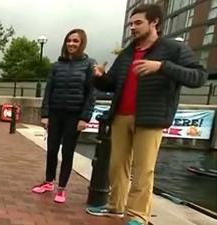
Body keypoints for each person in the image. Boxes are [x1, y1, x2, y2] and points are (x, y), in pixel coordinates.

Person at [85, 4, 207, 225]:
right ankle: (115, 207)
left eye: (138, 23)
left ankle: (138, 215)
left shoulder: (173, 50)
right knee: (116, 166)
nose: (132, 27)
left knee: (143, 169)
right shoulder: (127, 53)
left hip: (150, 119)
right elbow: (112, 84)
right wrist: (99, 77)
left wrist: (162, 67)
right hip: (120, 116)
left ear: (154, 23)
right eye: (131, 23)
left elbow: (199, 77)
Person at [31, 28, 96, 203]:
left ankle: (62, 189)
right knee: (51, 150)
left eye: (75, 41)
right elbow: (48, 91)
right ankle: (48, 182)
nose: (71, 44)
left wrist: (84, 118)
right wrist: (45, 114)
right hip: (56, 113)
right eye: (69, 41)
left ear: (82, 43)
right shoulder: (56, 66)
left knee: (68, 152)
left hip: (74, 116)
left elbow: (91, 94)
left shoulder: (89, 64)